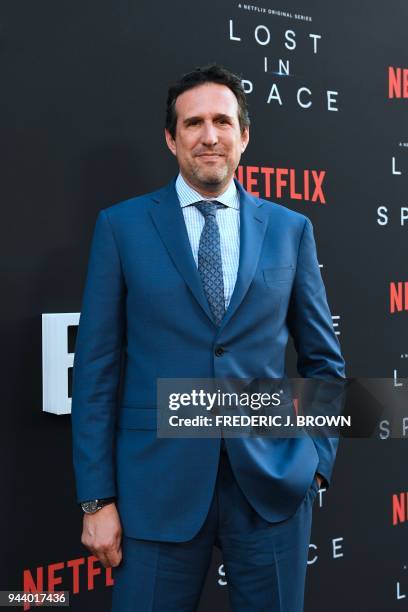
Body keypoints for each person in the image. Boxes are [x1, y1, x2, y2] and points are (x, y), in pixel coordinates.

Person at [71, 63, 345, 611]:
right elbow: (96, 372)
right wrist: (96, 499)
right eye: (193, 123)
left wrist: (314, 462)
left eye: (223, 121)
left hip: (270, 491)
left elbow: (323, 361)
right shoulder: (122, 228)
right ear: (172, 139)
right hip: (155, 495)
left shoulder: (291, 231)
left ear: (244, 136)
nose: (209, 135)